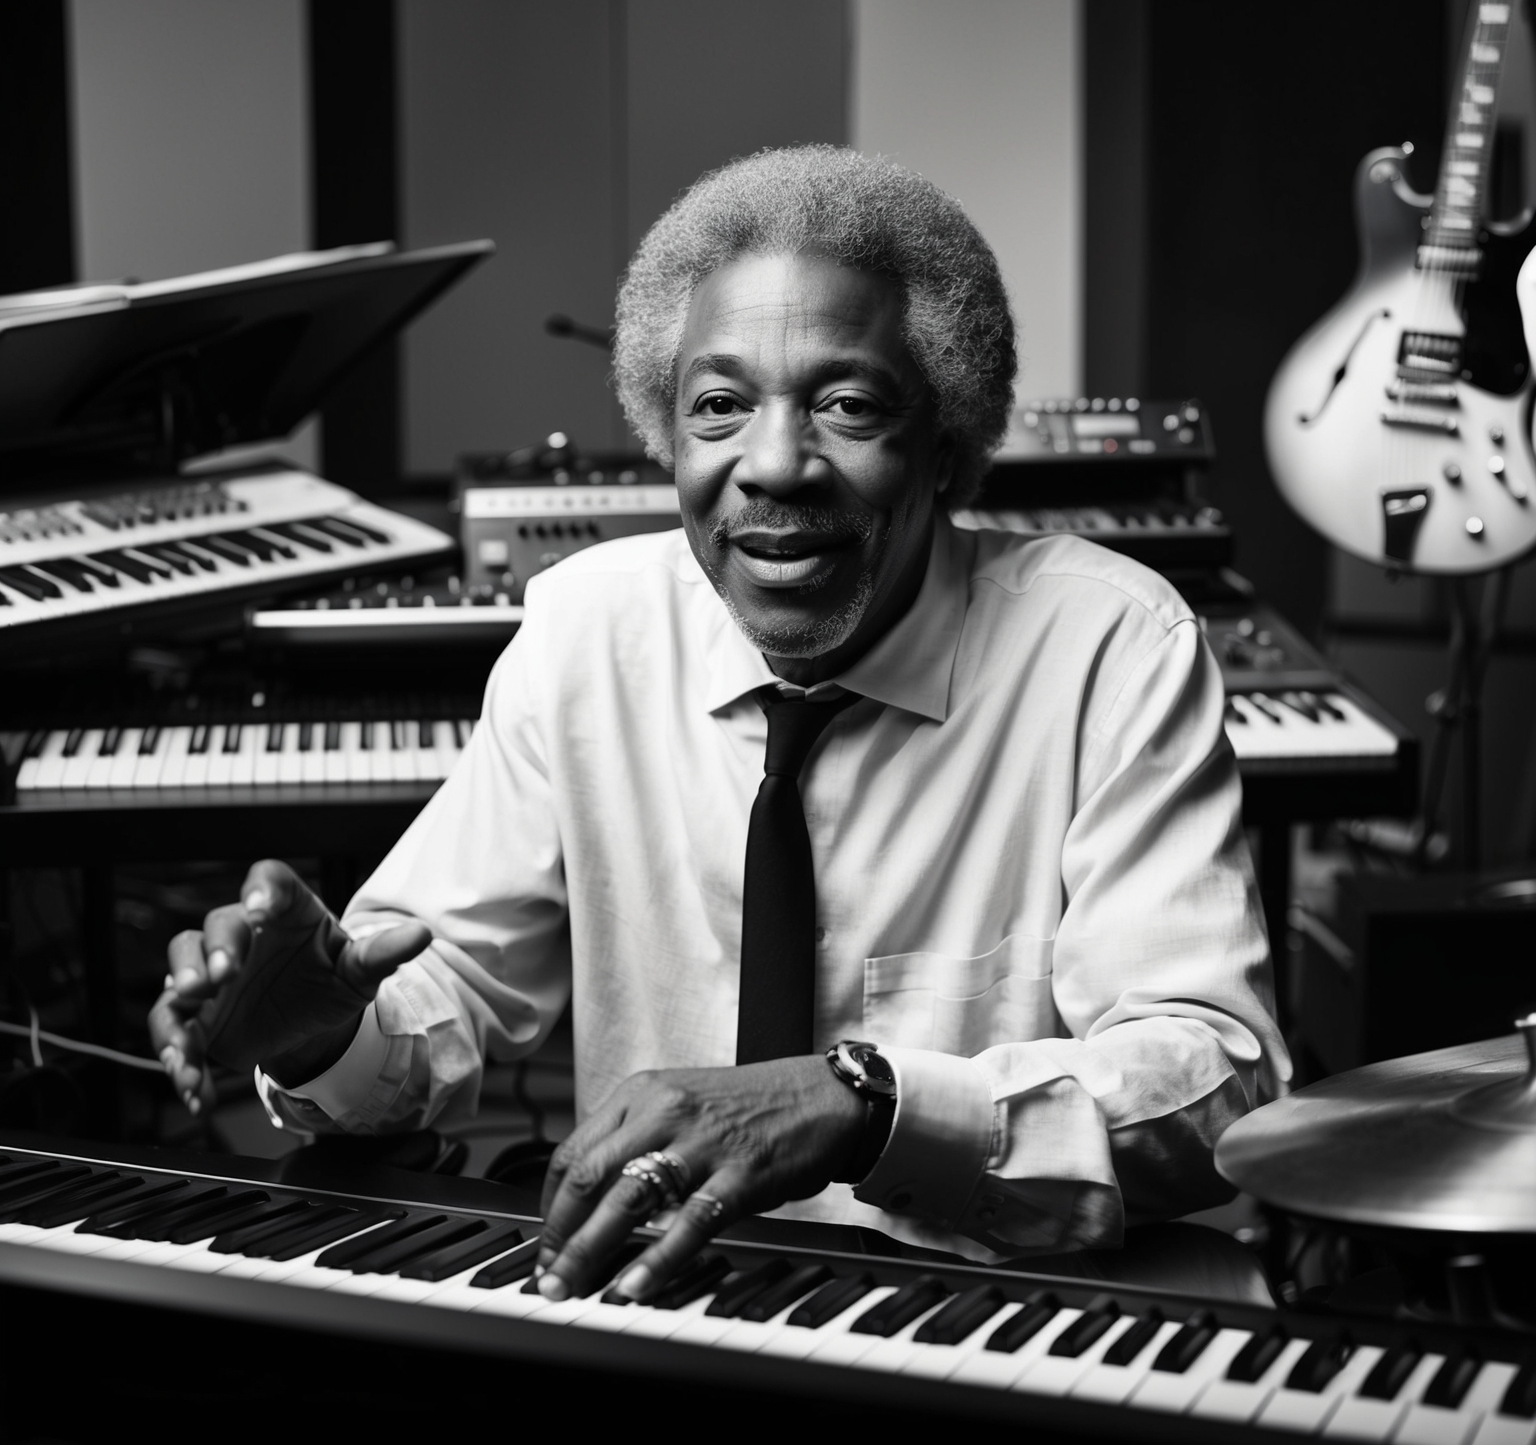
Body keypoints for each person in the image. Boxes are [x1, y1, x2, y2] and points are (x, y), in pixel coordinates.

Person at [150, 146, 1288, 1308]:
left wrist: (866, 1107)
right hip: (657, 1305)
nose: (776, 465)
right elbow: (438, 1009)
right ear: (669, 436)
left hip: (972, 1319)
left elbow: (1214, 1088)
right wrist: (317, 1037)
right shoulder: (585, 630)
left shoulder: (1112, 644)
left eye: (846, 404)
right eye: (721, 405)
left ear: (945, 447)